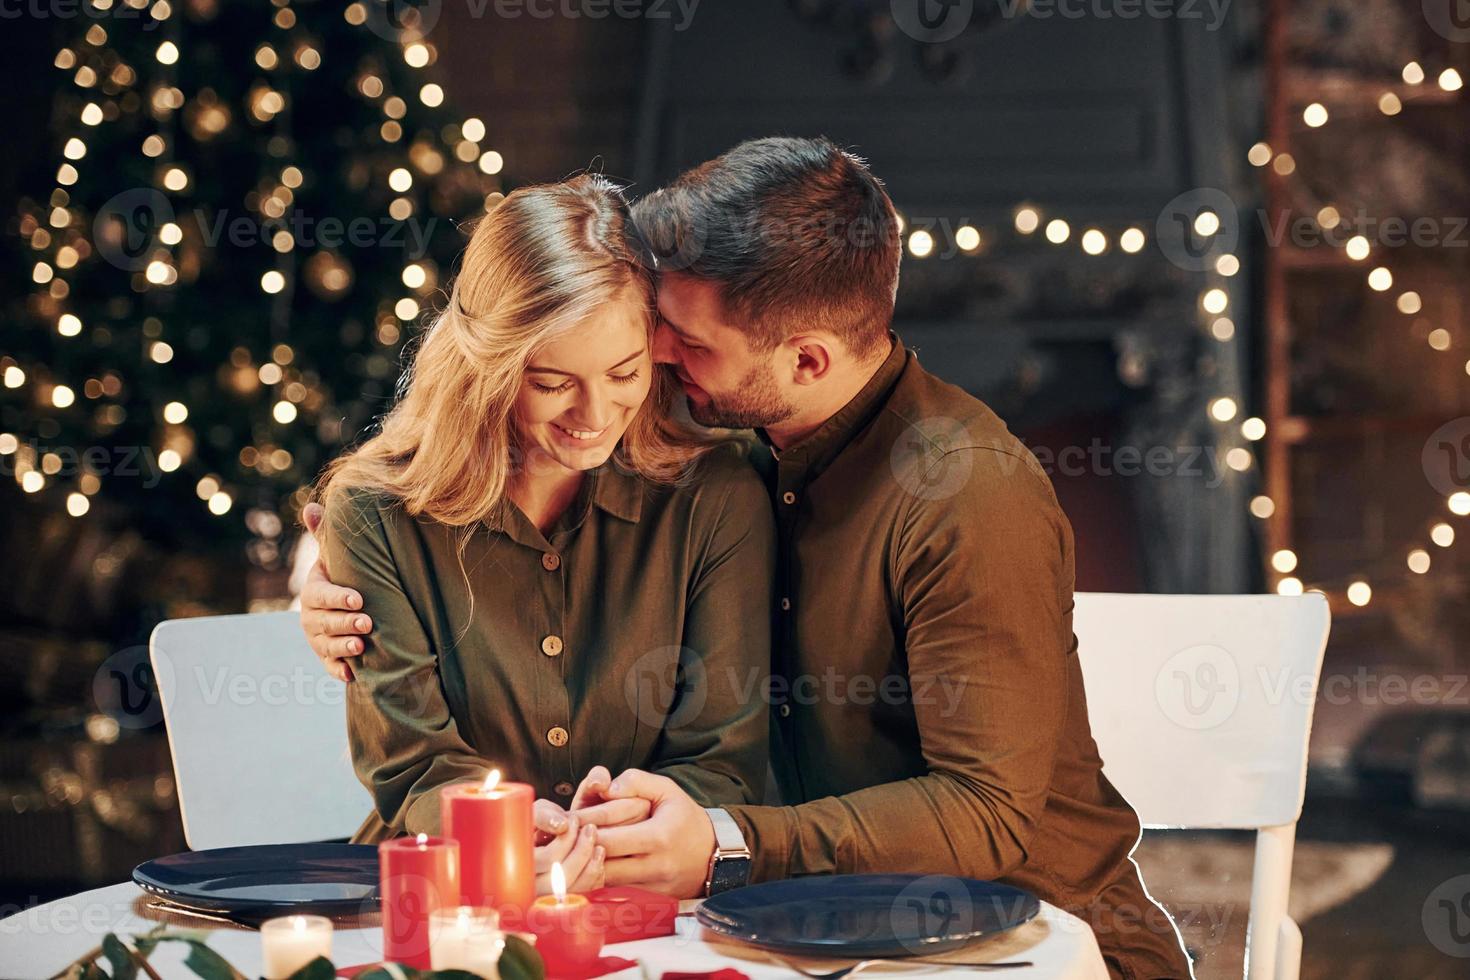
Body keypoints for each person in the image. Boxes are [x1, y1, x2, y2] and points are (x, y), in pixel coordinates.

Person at [303, 139, 1193, 979]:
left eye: (682, 343)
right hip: (810, 927)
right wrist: (322, 575)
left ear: (805, 359)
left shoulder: (967, 495)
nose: (651, 357)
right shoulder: (751, 447)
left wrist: (729, 842)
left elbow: (988, 813)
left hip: (1024, 938)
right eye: (655, 325)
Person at [308, 173, 773, 896]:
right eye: (552, 382)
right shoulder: (375, 513)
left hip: (653, 892)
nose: (594, 414)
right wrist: (506, 842)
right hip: (447, 895)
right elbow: (415, 769)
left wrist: (625, 825)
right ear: (487, 368)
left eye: (623, 372)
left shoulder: (715, 497)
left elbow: (721, 755)